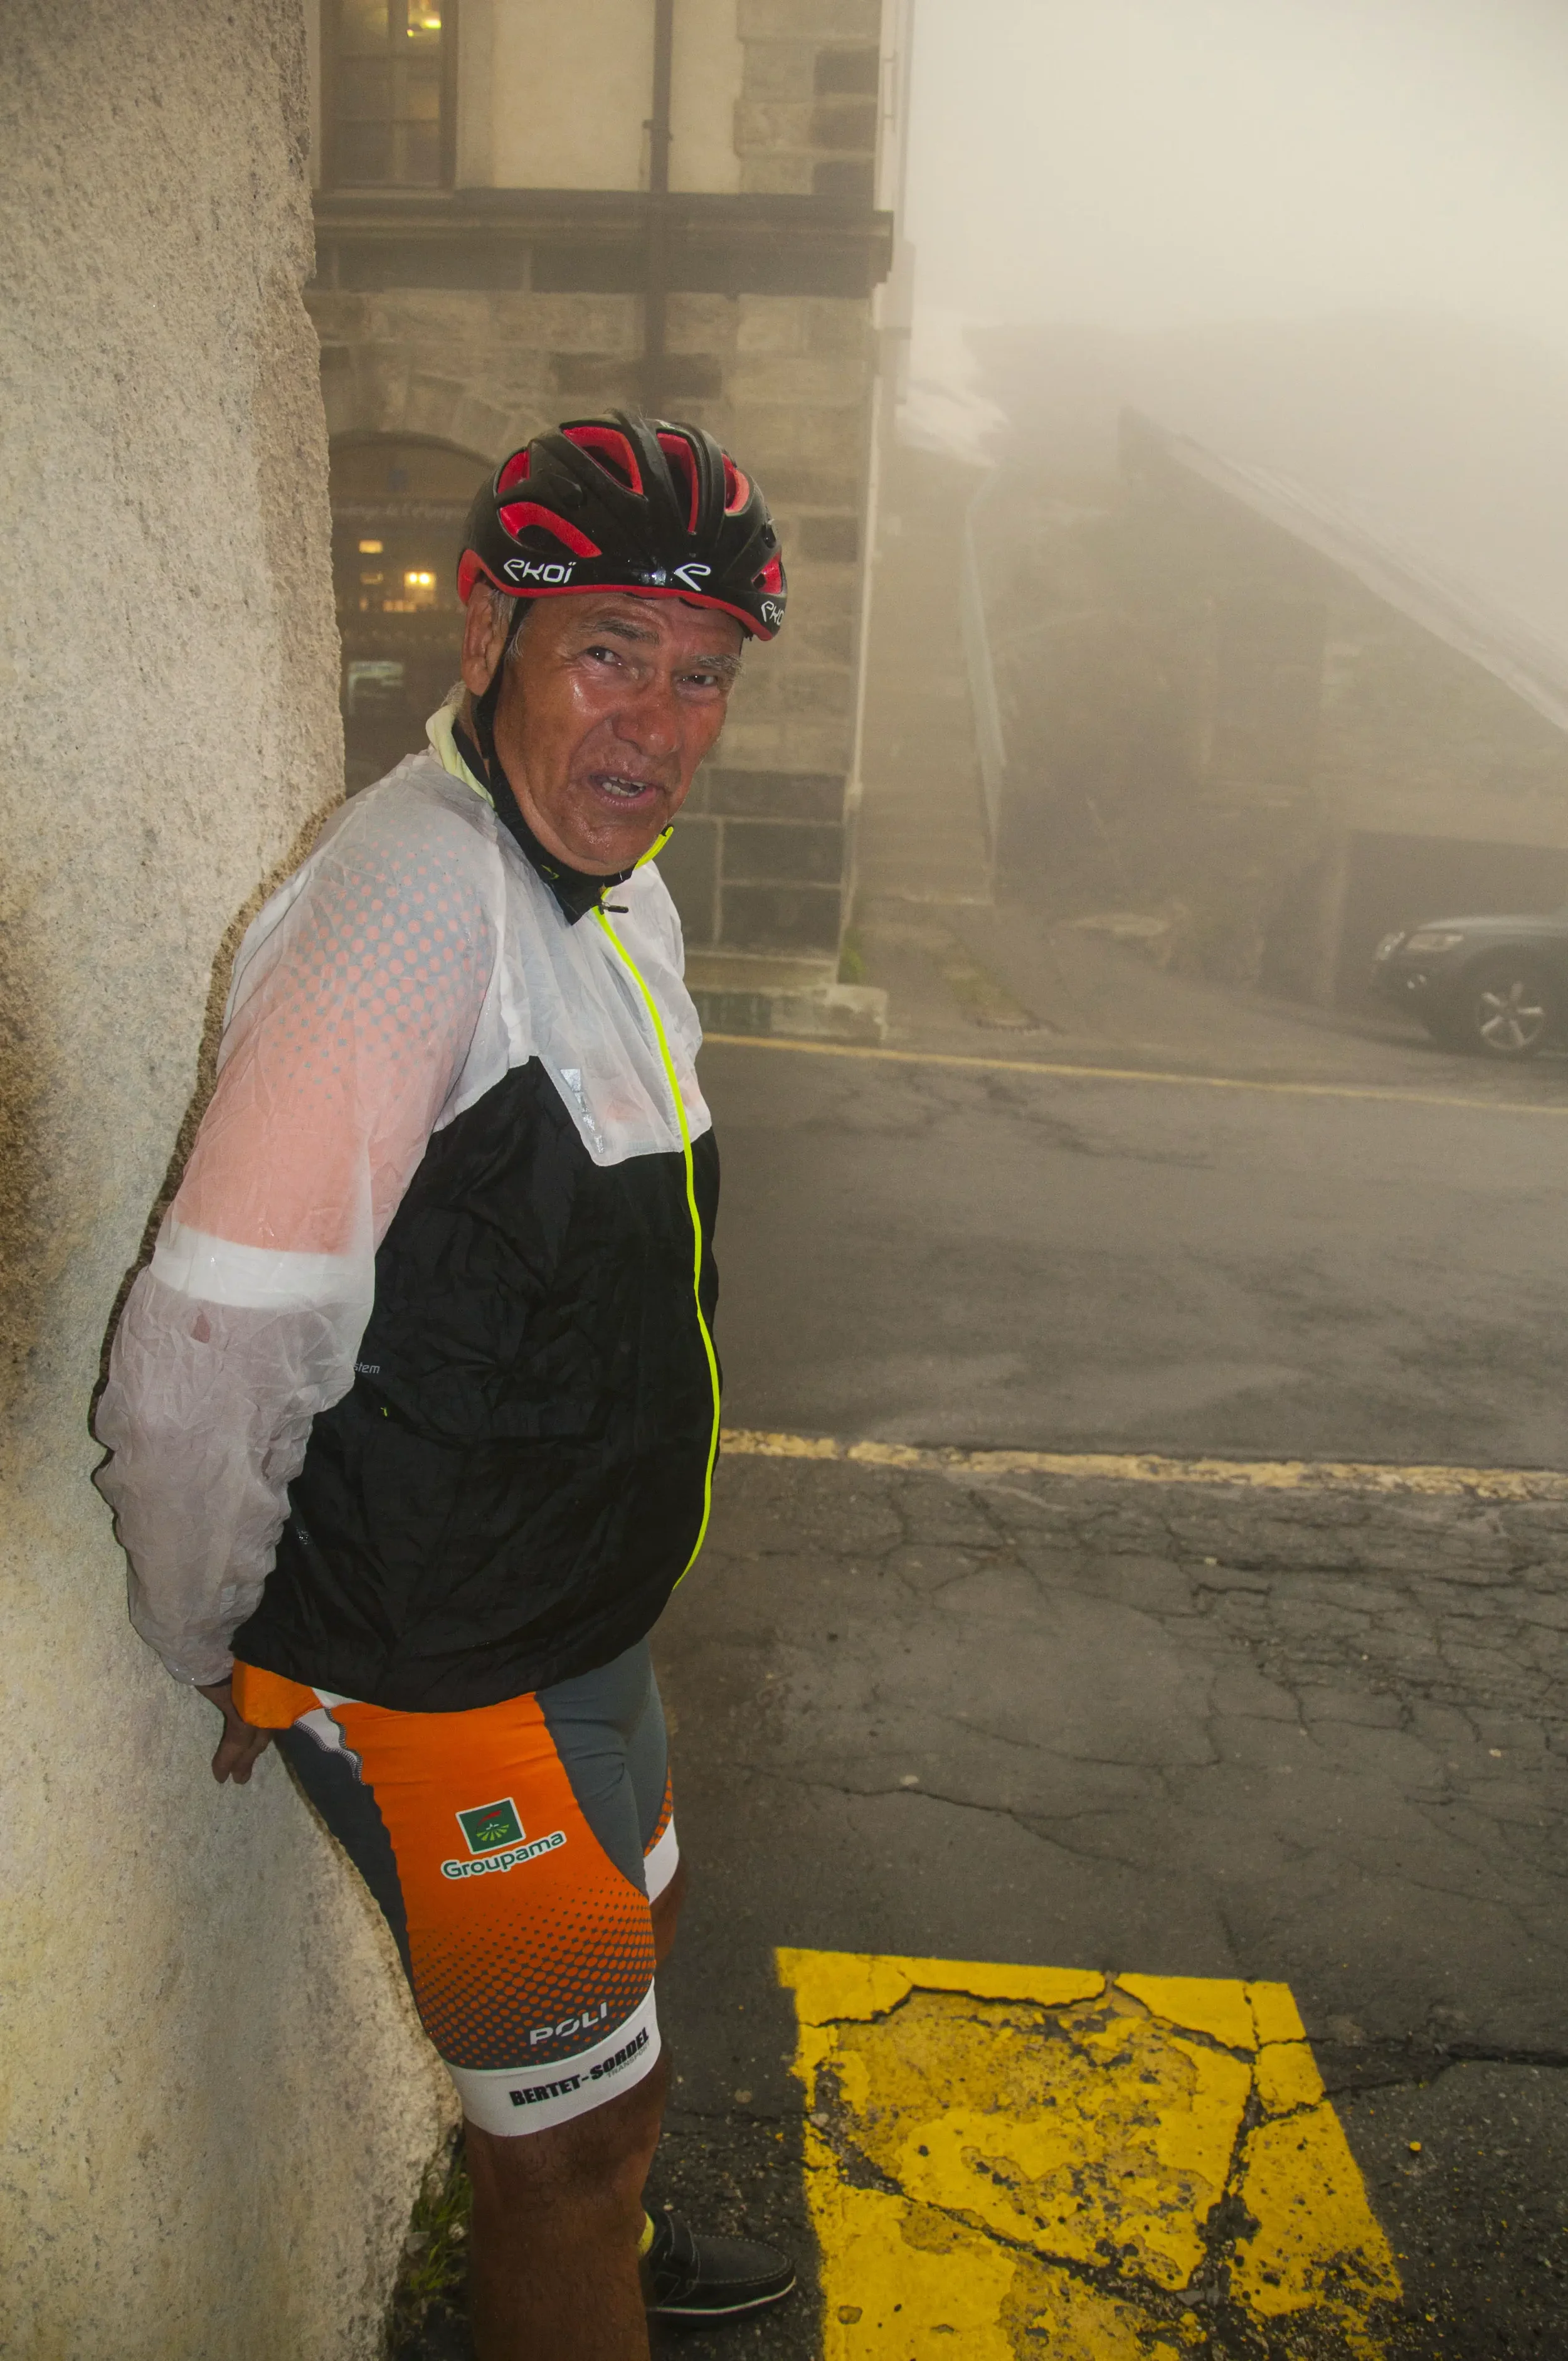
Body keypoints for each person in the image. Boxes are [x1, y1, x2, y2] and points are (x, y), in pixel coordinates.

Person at [94, 411, 796, 2360]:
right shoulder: (404, 915)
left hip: (573, 1608)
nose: (655, 726)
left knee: (632, 1958)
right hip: (439, 1661)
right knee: (562, 2154)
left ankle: (599, 2201)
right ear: (487, 632)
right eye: (608, 653)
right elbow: (207, 1354)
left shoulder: (611, 891)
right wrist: (223, 1635)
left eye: (701, 675)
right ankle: (575, 2225)